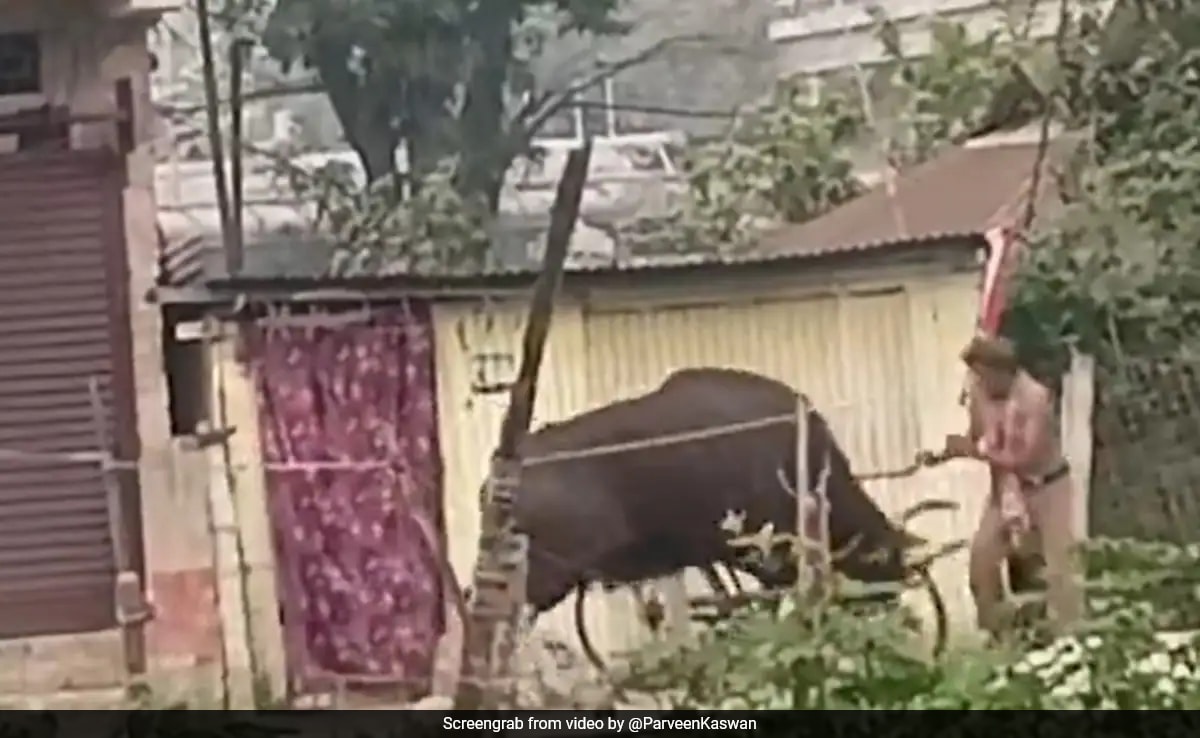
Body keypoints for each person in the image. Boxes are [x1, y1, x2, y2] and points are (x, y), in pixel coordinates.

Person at [921, 335, 1082, 638]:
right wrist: (942, 453)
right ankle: (999, 636)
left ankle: (1068, 640)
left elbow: (1025, 454)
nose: (979, 381)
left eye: (984, 374)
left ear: (1005, 372)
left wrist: (971, 451)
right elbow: (976, 438)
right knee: (982, 560)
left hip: (1047, 487)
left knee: (1059, 569)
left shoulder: (1035, 397)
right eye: (975, 374)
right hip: (1004, 486)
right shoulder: (979, 393)